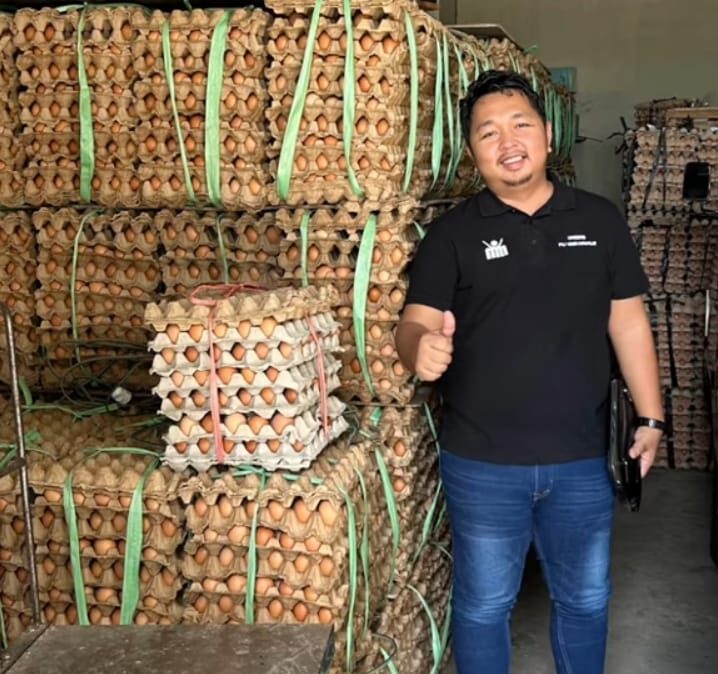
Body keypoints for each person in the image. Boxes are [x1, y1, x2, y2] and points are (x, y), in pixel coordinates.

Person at [395, 70, 664, 674]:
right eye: (488, 132)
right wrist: (418, 348)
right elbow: (414, 322)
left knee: (585, 600)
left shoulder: (599, 221)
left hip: (583, 459)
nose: (507, 141)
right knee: (485, 605)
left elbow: (628, 322)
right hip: (482, 464)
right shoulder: (452, 236)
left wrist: (651, 417)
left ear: (546, 134)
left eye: (519, 125)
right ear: (472, 153)